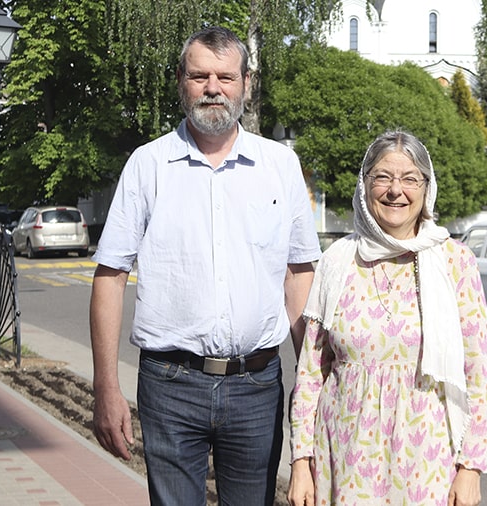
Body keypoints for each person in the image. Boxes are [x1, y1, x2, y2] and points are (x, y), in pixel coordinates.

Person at [89, 26, 321, 505]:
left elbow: (298, 275)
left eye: (225, 77)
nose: (213, 88)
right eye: (200, 76)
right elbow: (110, 277)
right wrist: (106, 387)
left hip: (257, 386)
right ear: (181, 81)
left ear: (246, 83)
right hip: (170, 386)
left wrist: (312, 383)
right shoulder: (147, 166)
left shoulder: (279, 166)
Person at [288, 131, 487, 506]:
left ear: (426, 189)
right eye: (382, 176)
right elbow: (310, 373)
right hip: (345, 457)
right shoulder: (338, 261)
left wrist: (471, 469)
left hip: (427, 462)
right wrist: (301, 462)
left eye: (410, 178)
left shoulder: (454, 262)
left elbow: (479, 374)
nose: (395, 190)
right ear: (364, 184)